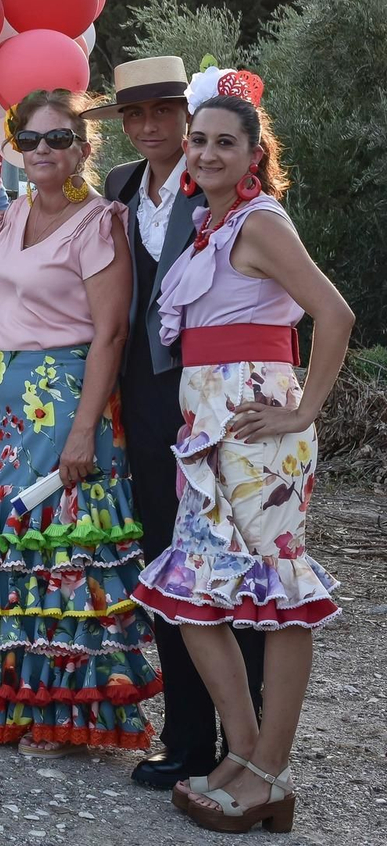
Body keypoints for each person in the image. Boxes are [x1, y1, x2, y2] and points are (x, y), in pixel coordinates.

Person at [131, 72, 353, 835]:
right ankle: (248, 753)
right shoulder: (207, 225)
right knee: (197, 592)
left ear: (254, 154)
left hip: (259, 427)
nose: (209, 152)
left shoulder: (260, 222)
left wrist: (304, 411)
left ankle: (265, 771)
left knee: (279, 597)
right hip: (206, 426)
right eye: (200, 140)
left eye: (227, 141)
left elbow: (335, 312)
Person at [0, 90, 157, 756]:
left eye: (58, 139)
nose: (43, 150)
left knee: (58, 550)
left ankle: (62, 715)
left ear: (81, 147)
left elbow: (108, 336)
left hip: (67, 402)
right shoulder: (11, 213)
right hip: (7, 403)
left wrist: (83, 431)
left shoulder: (100, 223)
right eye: (31, 139)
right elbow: (3, 307)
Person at [79, 56, 267, 791]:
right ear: (124, 126)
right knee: (169, 563)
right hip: (147, 399)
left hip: (216, 396)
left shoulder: (229, 189)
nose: (151, 127)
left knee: (230, 564)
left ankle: (239, 742)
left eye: (165, 113)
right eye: (136, 115)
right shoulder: (121, 188)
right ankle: (185, 735)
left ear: (189, 121)